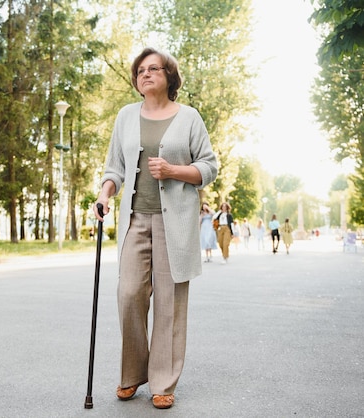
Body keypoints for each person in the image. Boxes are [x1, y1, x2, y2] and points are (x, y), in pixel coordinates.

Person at [93, 47, 218, 410]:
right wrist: (104, 195)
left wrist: (174, 171)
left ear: (169, 76)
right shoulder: (125, 117)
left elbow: (208, 167)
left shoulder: (189, 117)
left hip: (174, 222)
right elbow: (113, 167)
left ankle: (163, 382)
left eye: (153, 69)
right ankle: (132, 373)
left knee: (169, 303)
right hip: (134, 219)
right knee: (129, 294)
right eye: (140, 70)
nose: (145, 74)